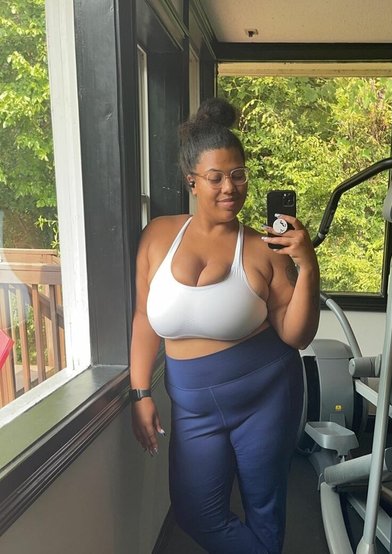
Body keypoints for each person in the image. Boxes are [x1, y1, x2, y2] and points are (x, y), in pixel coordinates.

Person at [129, 97, 320, 554]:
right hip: (192, 404)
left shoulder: (261, 248)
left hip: (266, 394)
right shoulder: (157, 236)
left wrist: (307, 266)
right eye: (216, 177)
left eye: (238, 175)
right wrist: (140, 392)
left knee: (265, 512)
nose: (229, 188)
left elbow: (297, 335)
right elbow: (143, 316)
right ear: (192, 180)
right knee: (196, 514)